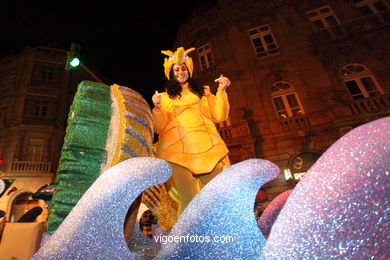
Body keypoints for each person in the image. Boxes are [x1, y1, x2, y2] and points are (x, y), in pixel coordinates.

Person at [152, 47, 231, 217]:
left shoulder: (203, 93)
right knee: (188, 199)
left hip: (206, 148)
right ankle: (186, 241)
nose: (181, 71)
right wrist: (157, 108)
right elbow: (158, 128)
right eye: (177, 69)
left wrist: (222, 91)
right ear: (171, 73)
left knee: (219, 194)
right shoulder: (165, 98)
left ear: (189, 70)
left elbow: (219, 115)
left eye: (184, 68)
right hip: (175, 152)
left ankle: (224, 235)